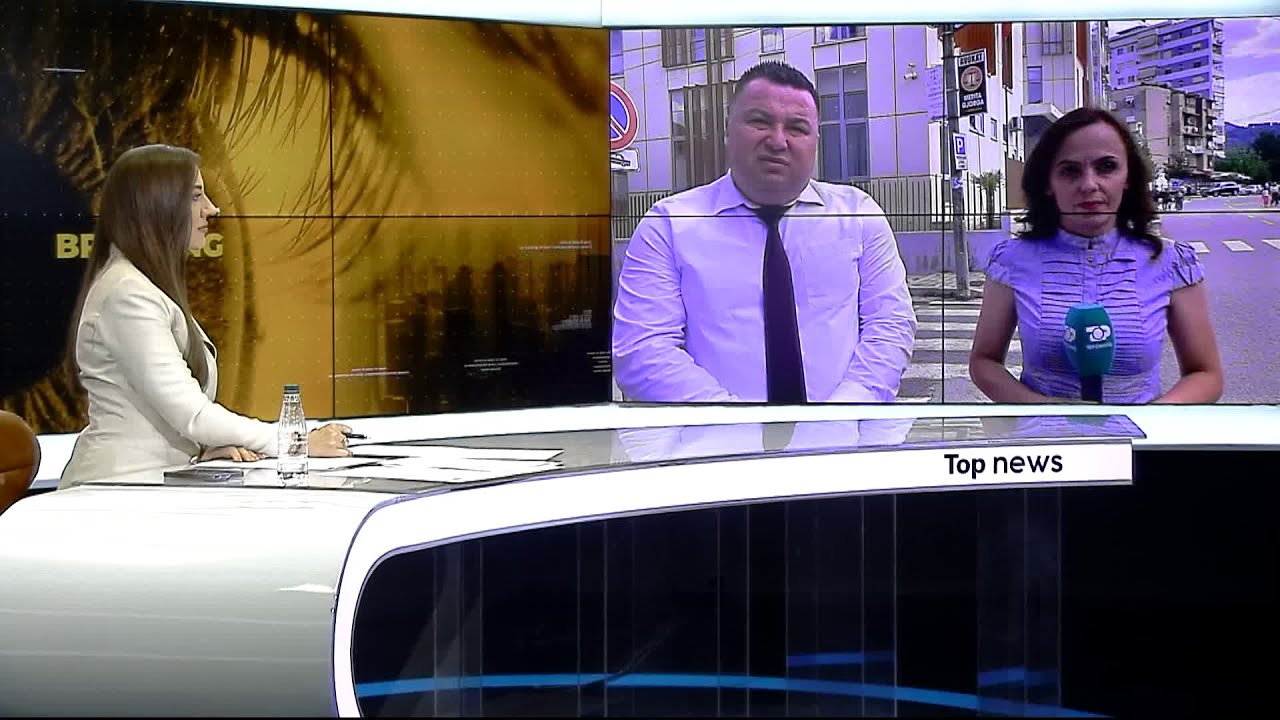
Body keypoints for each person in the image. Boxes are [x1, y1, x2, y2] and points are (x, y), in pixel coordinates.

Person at [612, 61, 916, 403]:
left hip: (842, 431)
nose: (778, 141)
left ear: (816, 140)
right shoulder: (667, 226)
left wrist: (839, 418)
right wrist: (740, 426)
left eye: (797, 127)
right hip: (714, 436)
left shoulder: (859, 216)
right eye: (760, 122)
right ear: (728, 129)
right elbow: (642, 350)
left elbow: (889, 326)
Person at [58, 145, 352, 489]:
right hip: (114, 491)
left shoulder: (146, 286)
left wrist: (202, 450)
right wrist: (293, 441)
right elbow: (192, 413)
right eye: (196, 196)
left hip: (150, 485)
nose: (212, 209)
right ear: (158, 204)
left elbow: (171, 417)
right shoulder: (126, 294)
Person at [968, 108, 1223, 404]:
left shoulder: (1170, 262)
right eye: (1070, 170)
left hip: (1141, 432)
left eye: (1107, 167)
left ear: (1128, 177)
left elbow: (1205, 374)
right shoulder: (1012, 260)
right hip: (1043, 433)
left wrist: (1149, 418)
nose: (1089, 184)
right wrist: (1046, 410)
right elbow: (984, 362)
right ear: (1048, 182)